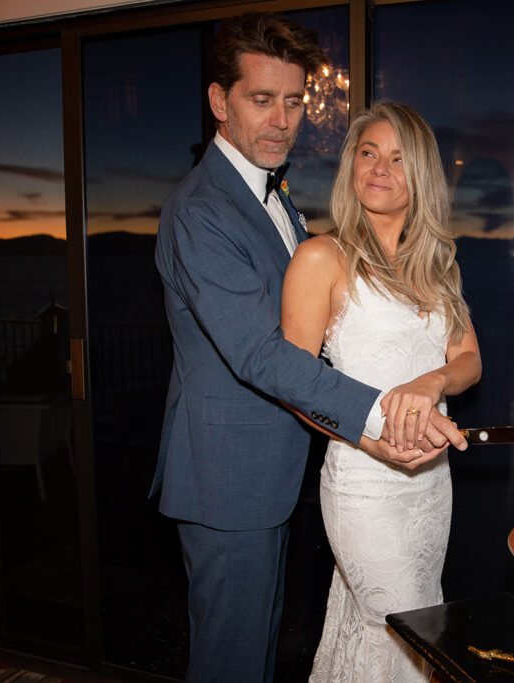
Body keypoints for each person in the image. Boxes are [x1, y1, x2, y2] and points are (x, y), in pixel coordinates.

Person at [151, 13, 465, 682]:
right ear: (219, 101)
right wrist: (379, 420)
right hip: (226, 478)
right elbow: (261, 355)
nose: (282, 120)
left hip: (272, 472)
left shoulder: (275, 197)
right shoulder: (201, 209)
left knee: (255, 651)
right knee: (230, 661)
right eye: (262, 100)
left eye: (294, 102)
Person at [281, 101, 482, 681]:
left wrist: (433, 379)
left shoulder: (438, 265)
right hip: (364, 480)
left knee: (407, 613)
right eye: (368, 153)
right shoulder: (322, 257)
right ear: (351, 167)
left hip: (430, 482)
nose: (379, 167)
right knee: (398, 624)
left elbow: (468, 359)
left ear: (419, 175)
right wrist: (371, 445)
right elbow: (294, 385)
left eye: (397, 158)